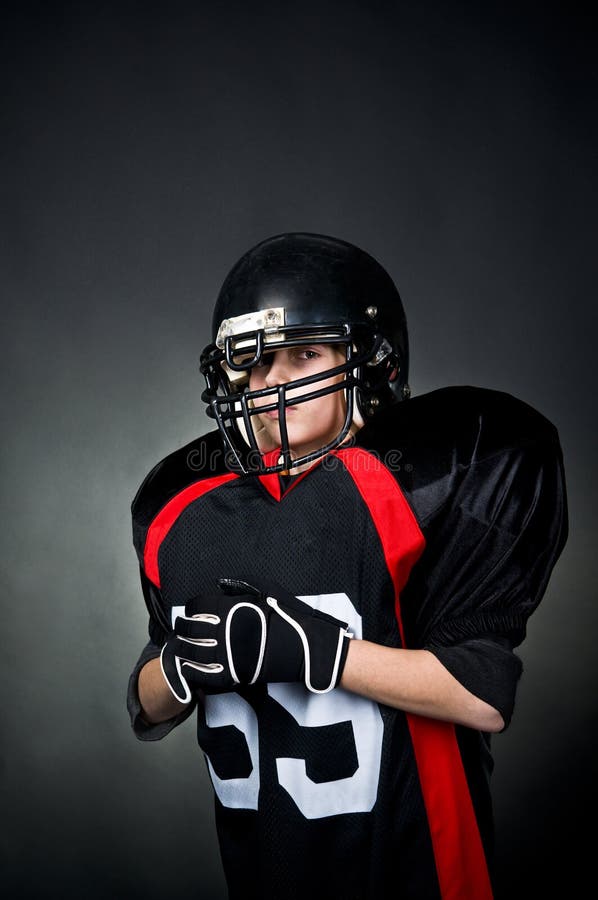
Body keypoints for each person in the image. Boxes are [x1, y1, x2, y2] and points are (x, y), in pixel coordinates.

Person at [127, 232, 568, 899]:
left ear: (369, 364)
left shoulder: (426, 479)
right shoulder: (183, 507)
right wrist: (180, 667)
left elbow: (481, 697)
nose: (273, 380)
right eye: (255, 359)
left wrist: (315, 650)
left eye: (304, 353)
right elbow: (144, 708)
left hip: (415, 866)